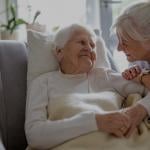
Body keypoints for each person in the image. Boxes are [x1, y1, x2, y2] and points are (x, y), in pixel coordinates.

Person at [25, 23, 150, 149]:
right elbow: (34, 135)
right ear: (59, 51)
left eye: (92, 45)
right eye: (81, 42)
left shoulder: (105, 76)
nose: (89, 49)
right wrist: (95, 122)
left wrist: (141, 83)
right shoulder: (42, 83)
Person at [112, 1, 150, 90]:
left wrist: (141, 77)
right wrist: (131, 75)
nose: (119, 49)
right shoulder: (138, 61)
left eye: (124, 42)